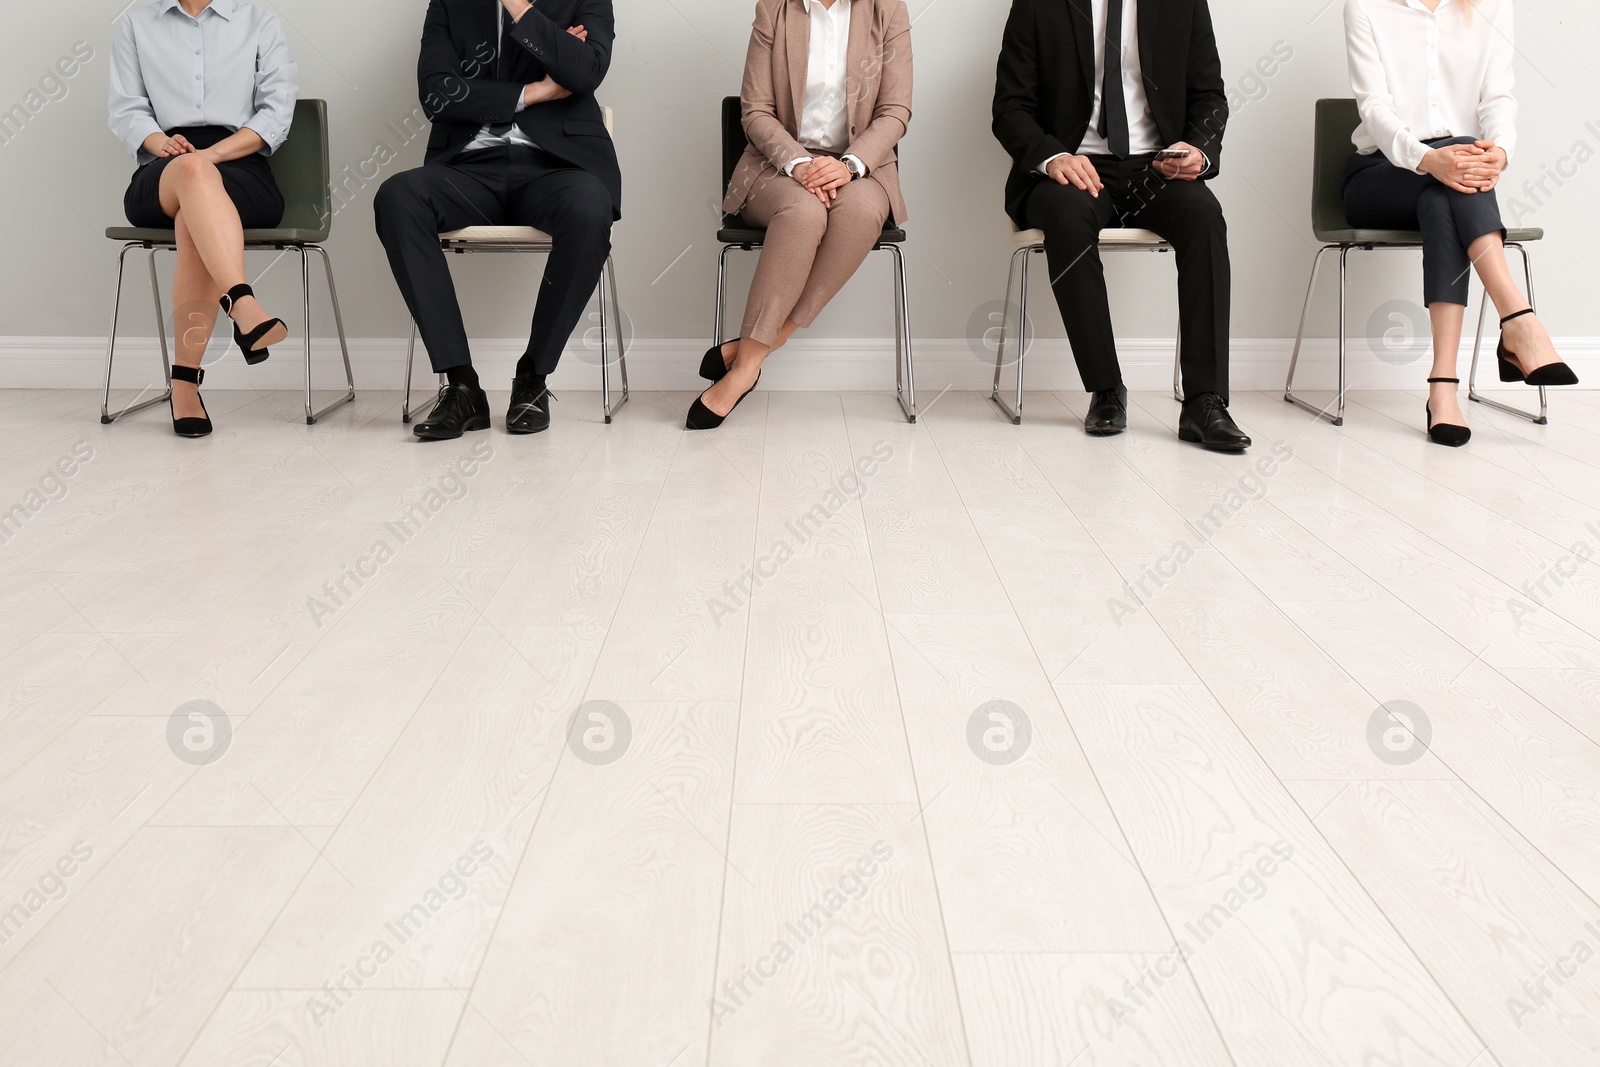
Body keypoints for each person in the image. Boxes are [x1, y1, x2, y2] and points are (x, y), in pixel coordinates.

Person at [991, 0, 1249, 451]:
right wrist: (1053, 159)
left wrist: (1198, 151)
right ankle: (1106, 389)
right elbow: (1010, 107)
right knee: (1067, 217)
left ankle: (1205, 402)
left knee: (1204, 217)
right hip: (1073, 167)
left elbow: (1209, 94)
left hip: (1158, 167)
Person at [376, 0, 621, 441]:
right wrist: (536, 92)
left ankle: (534, 377)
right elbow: (436, 93)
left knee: (589, 205)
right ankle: (461, 384)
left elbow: (585, 73)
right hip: (469, 170)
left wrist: (521, 8)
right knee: (398, 195)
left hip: (557, 168)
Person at [1344, 0, 1575, 448]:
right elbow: (1374, 107)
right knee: (1455, 168)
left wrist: (1500, 152)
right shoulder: (1366, 7)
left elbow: (1497, 98)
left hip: (1458, 178)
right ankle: (1519, 320)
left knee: (1442, 200)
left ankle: (1442, 389)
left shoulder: (1492, 6)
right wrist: (1429, 159)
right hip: (1378, 177)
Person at [691, 0, 913, 431]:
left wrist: (848, 164)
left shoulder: (888, 10)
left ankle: (750, 357)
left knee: (861, 213)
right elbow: (755, 110)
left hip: (860, 166)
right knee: (803, 212)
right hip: (776, 167)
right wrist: (800, 163)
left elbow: (896, 111)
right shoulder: (774, 9)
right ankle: (746, 367)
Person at [108, 0, 298, 438]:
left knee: (195, 207)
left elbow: (276, 109)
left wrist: (212, 156)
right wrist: (163, 145)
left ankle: (184, 384)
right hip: (164, 167)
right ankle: (242, 303)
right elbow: (126, 109)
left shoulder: (258, 17)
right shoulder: (136, 21)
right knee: (193, 175)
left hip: (240, 164)